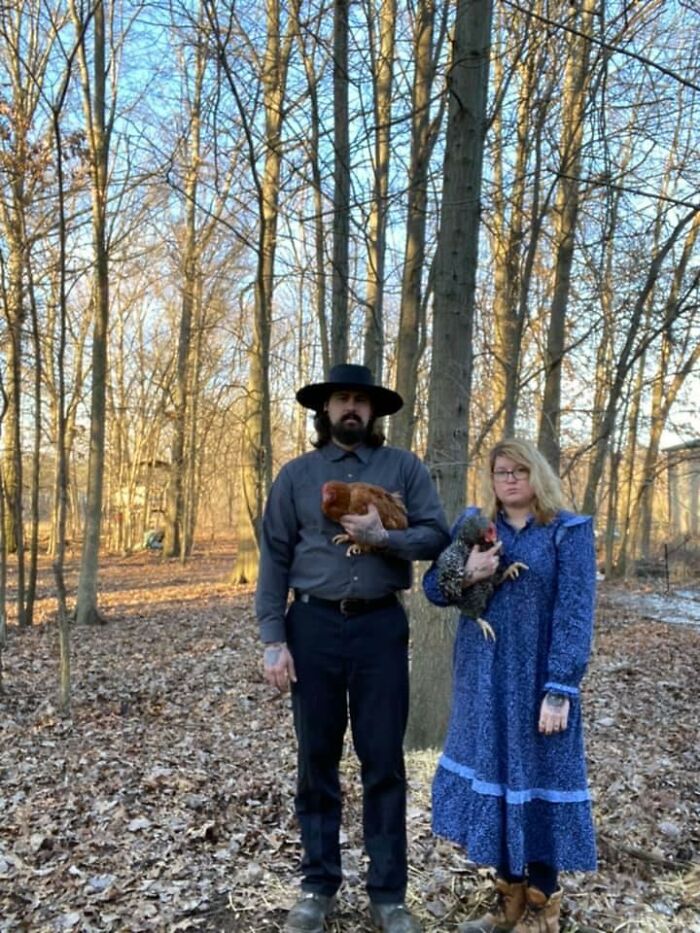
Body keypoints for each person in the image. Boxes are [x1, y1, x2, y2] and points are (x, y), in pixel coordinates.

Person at [257, 363, 450, 933]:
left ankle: (389, 895)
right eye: (341, 399)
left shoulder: (403, 468)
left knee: (384, 763)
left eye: (361, 402)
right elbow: (273, 557)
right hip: (311, 629)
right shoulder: (296, 477)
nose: (351, 409)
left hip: (379, 629)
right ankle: (317, 887)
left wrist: (383, 537)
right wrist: (273, 639)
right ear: (325, 410)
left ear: (374, 413)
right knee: (315, 761)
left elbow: (436, 535)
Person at [422, 438, 597, 933]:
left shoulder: (567, 531)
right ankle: (509, 899)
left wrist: (561, 686)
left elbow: (575, 614)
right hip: (485, 678)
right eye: (501, 471)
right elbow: (434, 590)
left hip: (539, 679)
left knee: (538, 776)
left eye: (520, 470)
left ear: (537, 475)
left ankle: (545, 904)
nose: (511, 480)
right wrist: (469, 572)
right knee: (497, 776)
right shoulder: (476, 527)